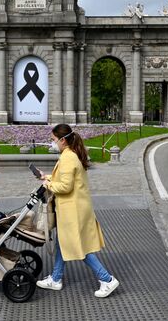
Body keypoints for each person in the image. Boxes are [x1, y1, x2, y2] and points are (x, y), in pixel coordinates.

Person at [36, 124, 119, 298]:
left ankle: (107, 279)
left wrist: (48, 184)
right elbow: (66, 178)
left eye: (53, 140)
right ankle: (56, 278)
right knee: (63, 243)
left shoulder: (68, 158)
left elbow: (65, 186)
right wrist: (48, 177)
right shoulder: (71, 154)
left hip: (73, 211)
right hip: (76, 208)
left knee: (77, 246)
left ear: (63, 140)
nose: (52, 143)